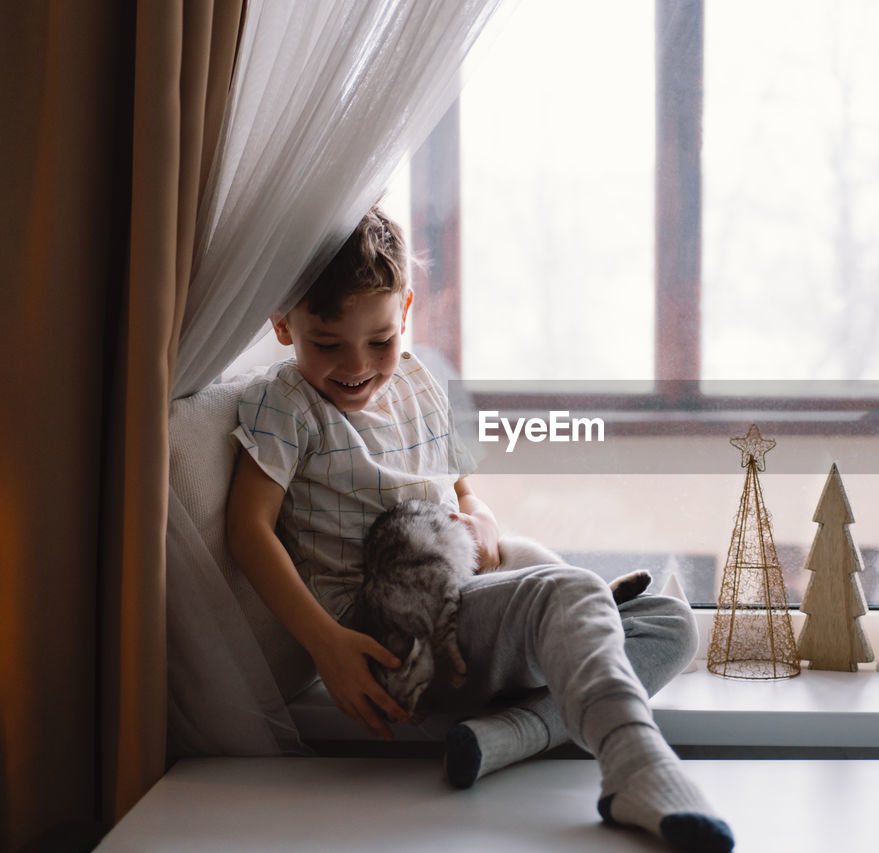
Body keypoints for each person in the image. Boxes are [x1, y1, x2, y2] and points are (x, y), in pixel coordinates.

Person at [225, 207, 734, 852]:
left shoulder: (418, 384)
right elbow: (248, 530)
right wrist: (326, 644)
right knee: (570, 594)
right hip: (394, 629)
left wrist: (482, 513)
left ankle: (507, 736)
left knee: (671, 622)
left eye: (379, 340)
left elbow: (458, 487)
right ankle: (639, 770)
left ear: (405, 310)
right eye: (327, 344)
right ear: (283, 323)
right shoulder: (284, 404)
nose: (356, 365)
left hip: (464, 583)